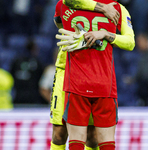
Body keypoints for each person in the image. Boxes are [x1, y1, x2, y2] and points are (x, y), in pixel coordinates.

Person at [54, 0, 135, 149]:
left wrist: (104, 34)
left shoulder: (65, 5)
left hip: (83, 83)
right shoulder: (117, 9)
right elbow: (130, 43)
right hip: (85, 79)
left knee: (87, 139)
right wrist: (106, 29)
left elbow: (59, 22)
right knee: (61, 134)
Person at [10, 40, 46, 104]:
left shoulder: (17, 60)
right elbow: (42, 78)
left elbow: (11, 75)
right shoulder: (38, 62)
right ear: (33, 49)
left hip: (18, 96)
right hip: (33, 97)